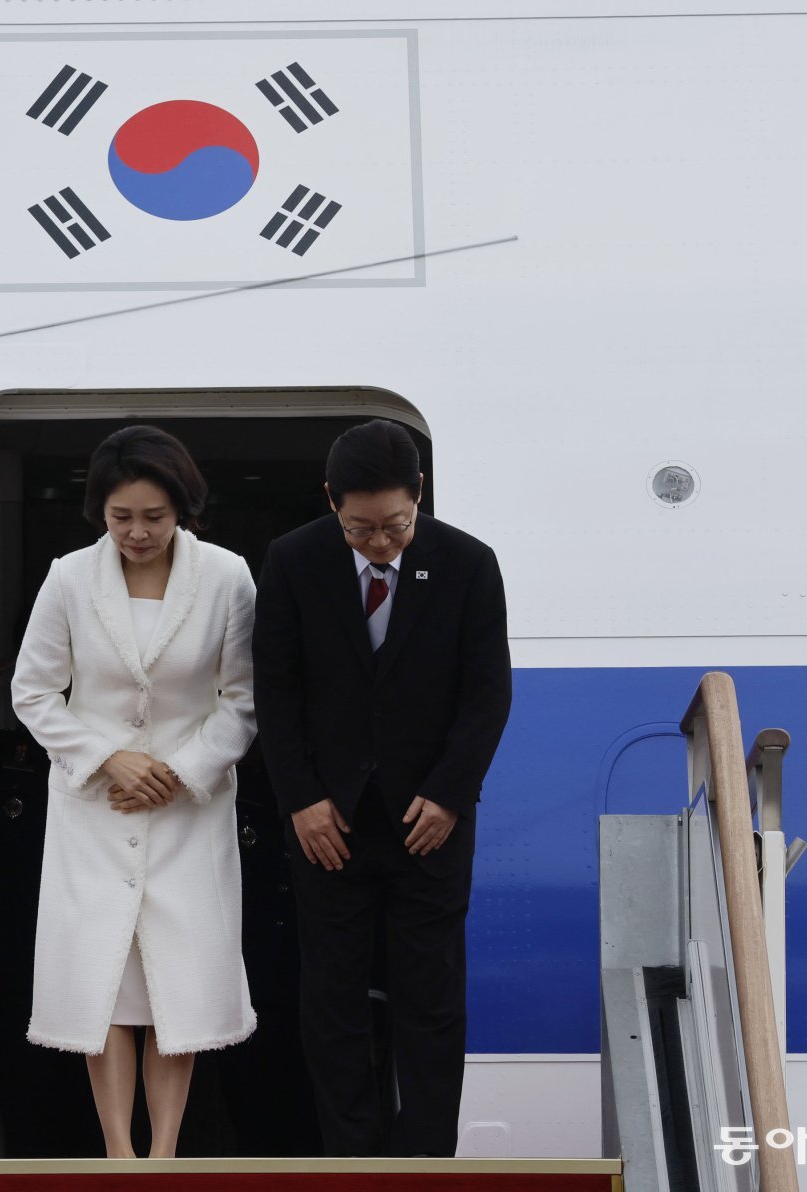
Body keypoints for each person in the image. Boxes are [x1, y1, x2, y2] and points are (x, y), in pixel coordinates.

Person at [252, 419, 511, 1157]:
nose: (379, 543)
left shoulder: (468, 563)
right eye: (360, 528)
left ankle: (426, 1160)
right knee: (331, 996)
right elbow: (275, 690)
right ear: (330, 500)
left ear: (419, 494)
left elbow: (487, 693)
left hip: (430, 819)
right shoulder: (293, 560)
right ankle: (351, 1158)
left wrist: (451, 793)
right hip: (327, 821)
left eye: (395, 525)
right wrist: (300, 798)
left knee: (431, 996)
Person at [11, 425, 258, 1159]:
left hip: (189, 813)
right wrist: (105, 758)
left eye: (155, 516)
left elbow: (244, 699)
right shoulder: (68, 578)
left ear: (183, 508)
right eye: (122, 517)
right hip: (94, 810)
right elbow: (33, 692)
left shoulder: (226, 577)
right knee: (105, 983)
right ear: (100, 511)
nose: (138, 532)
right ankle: (118, 1153)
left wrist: (180, 771)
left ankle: (165, 1156)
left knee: (177, 985)